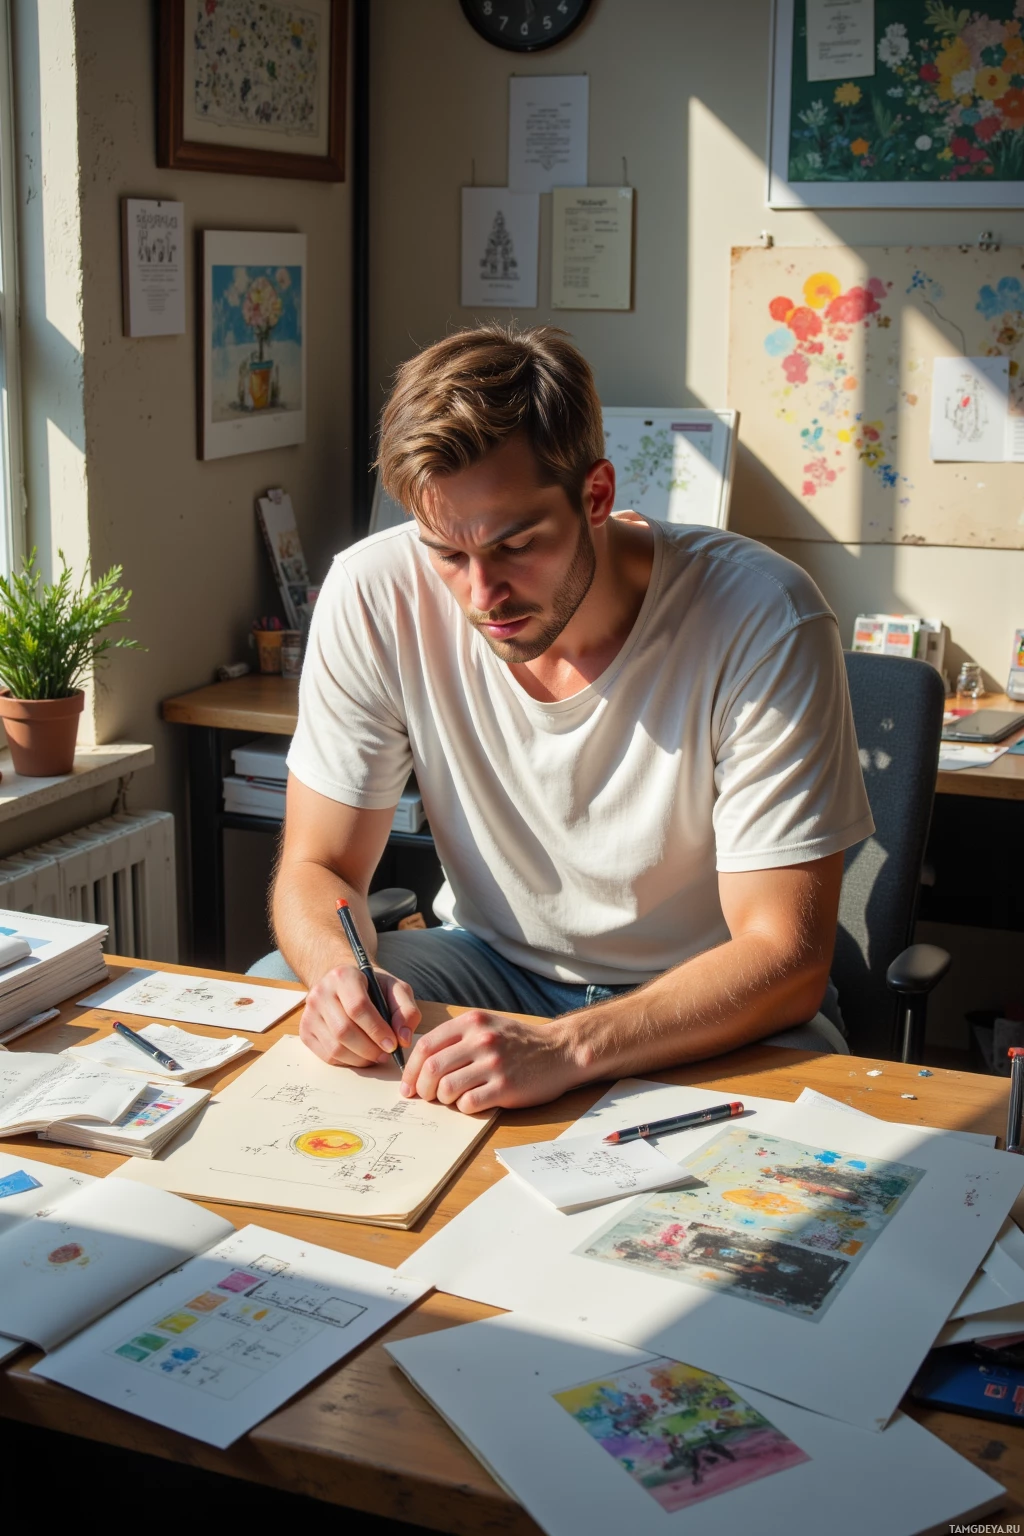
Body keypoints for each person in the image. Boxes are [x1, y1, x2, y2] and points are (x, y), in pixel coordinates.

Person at [256, 324, 873, 1114]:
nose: (483, 597)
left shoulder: (762, 617)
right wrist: (342, 976)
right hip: (490, 963)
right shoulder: (374, 593)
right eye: (447, 552)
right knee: (285, 994)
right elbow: (319, 868)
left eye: (516, 545)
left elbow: (783, 955)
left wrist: (567, 1048)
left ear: (597, 497)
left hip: (700, 995)